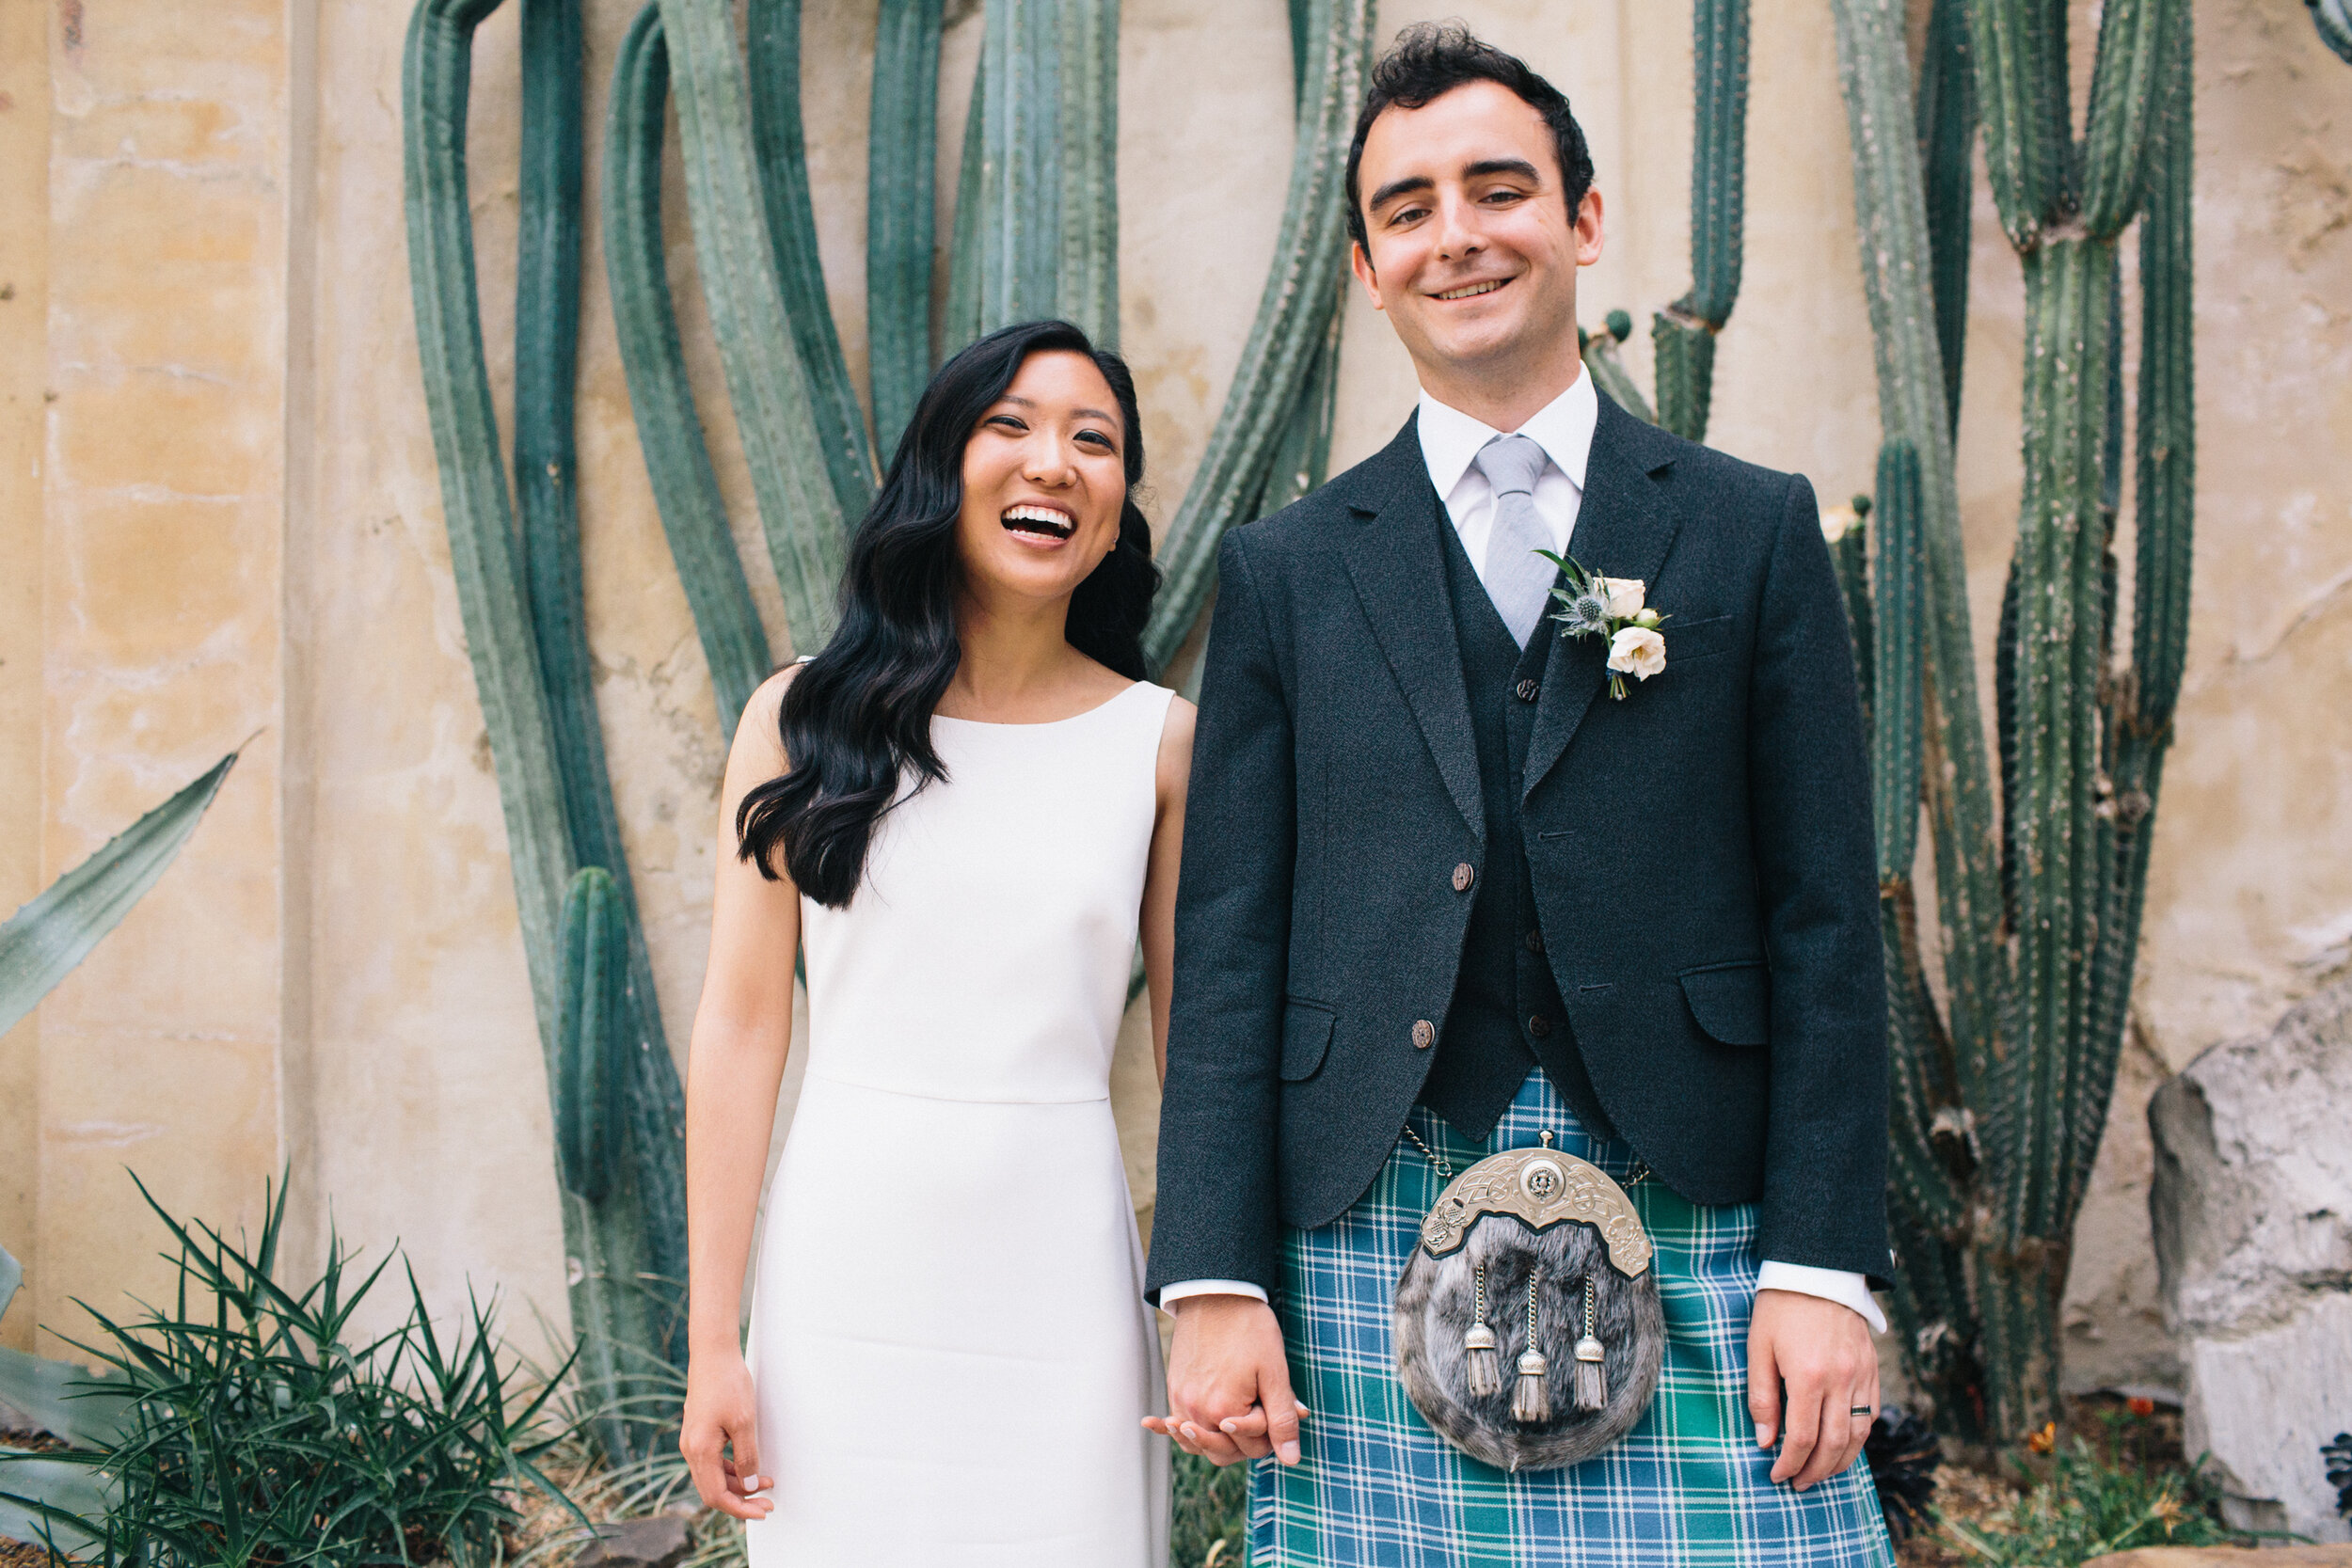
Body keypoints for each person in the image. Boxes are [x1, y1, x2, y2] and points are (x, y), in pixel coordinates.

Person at [1146, 24, 1899, 1566]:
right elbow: (1227, 945)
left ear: (1584, 219)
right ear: (1365, 267)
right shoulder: (1287, 571)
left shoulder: (1751, 535)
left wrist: (1824, 1265)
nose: (1457, 236)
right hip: (1371, 1211)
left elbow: (1826, 916)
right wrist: (1212, 1276)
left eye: (1499, 189)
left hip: (1699, 1201)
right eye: (1407, 208)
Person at [678, 319, 1184, 1567]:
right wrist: (711, 1343)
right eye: (1007, 427)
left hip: (1063, 1267)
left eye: (1095, 441)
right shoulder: (798, 721)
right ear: (937, 468)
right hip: (847, 1266)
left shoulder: (1160, 742)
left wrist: (1215, 1304)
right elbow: (742, 1025)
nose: (1052, 463)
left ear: (1119, 505)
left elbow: (1200, 1055)